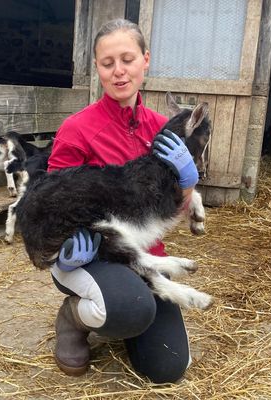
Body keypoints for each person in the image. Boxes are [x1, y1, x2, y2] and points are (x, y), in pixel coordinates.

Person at [46, 18, 200, 384]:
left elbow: (175, 211)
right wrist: (68, 237)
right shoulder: (78, 129)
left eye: (127, 59)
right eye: (107, 63)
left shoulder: (164, 129)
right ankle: (74, 318)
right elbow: (52, 201)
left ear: (146, 60)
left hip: (145, 255)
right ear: (97, 68)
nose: (118, 72)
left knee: (167, 368)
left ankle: (122, 312)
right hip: (88, 254)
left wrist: (188, 181)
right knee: (131, 308)